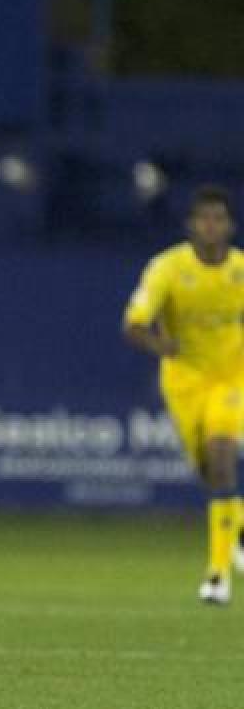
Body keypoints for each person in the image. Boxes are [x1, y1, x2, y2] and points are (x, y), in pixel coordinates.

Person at [124, 184, 244, 605]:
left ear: (230, 226)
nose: (211, 226)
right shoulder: (168, 269)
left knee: (223, 457)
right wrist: (161, 346)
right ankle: (238, 529)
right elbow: (135, 323)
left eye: (219, 219)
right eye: (203, 218)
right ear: (191, 225)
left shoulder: (241, 271)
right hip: (183, 382)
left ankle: (217, 575)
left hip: (233, 379)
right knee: (209, 471)